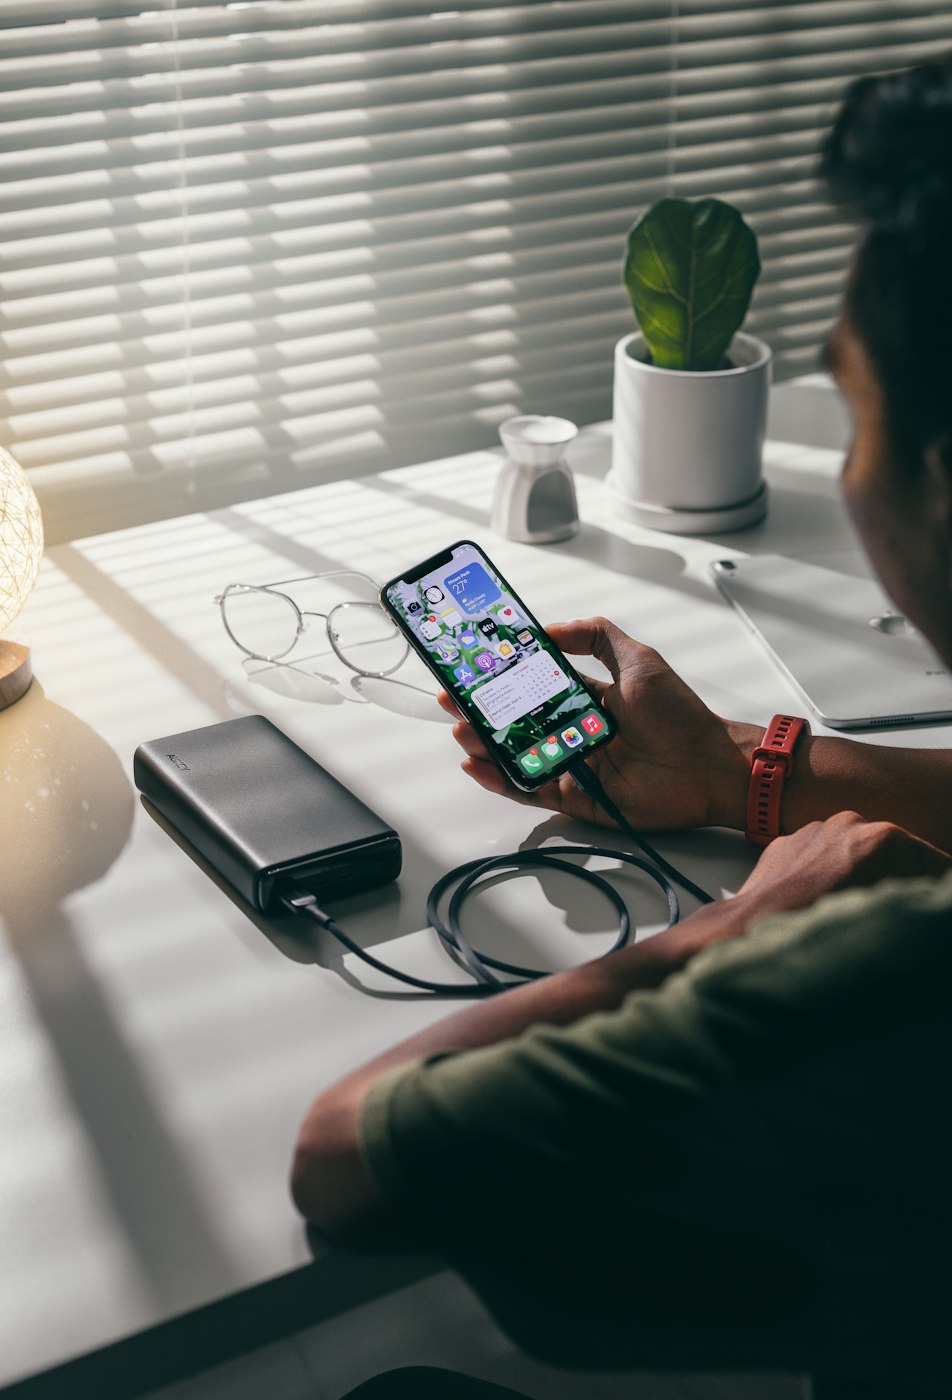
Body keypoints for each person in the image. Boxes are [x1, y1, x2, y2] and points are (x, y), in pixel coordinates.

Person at [291, 60, 952, 1400]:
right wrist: (736, 771)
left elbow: (350, 1156)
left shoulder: (892, 973)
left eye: (854, 408)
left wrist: (744, 922)